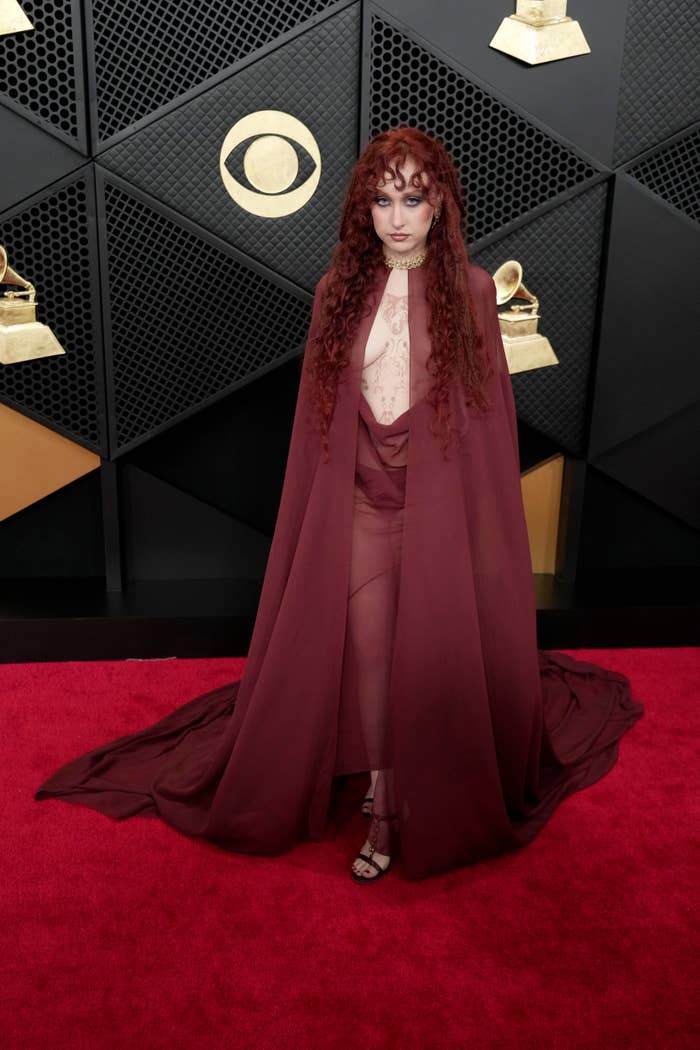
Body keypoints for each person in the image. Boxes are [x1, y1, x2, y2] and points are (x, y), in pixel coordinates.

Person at [35, 127, 645, 883]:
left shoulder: (475, 291)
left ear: (440, 204)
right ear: (364, 208)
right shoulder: (338, 291)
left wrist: (475, 535)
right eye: (383, 200)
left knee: (425, 657)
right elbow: (318, 423)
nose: (398, 217)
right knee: (372, 656)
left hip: (436, 513)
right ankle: (385, 795)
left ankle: (399, 796)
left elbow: (487, 427)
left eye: (413, 199)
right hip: (363, 505)